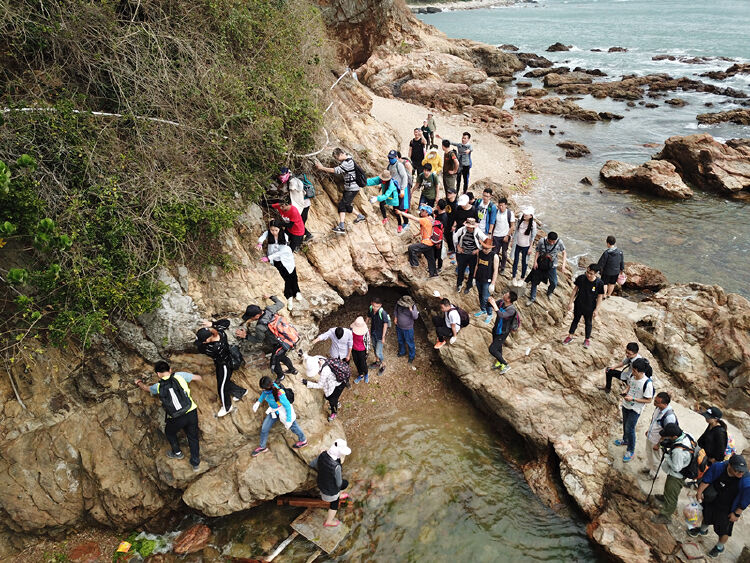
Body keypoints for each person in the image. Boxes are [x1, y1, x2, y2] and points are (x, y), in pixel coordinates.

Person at [135, 361, 203, 471]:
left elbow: (146, 388)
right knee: (193, 437)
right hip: (191, 411)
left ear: (158, 374)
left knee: (169, 432)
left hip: (176, 417)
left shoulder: (158, 387)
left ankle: (178, 453)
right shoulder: (180, 376)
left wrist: (138, 382)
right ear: (170, 370)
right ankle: (195, 463)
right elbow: (198, 378)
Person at [687, 454, 749, 558]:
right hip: (714, 498)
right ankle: (702, 530)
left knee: (723, 529)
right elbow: (707, 479)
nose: (740, 473)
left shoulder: (746, 480)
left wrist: (737, 514)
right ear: (729, 466)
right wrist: (699, 492)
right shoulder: (719, 467)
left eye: (742, 471)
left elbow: (746, 499)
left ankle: (720, 547)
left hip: (728, 507)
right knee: (707, 515)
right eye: (737, 470)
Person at [237, 296, 299, 382]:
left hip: (282, 344)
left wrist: (246, 336)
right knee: (281, 356)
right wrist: (270, 297)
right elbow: (281, 304)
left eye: (251, 317)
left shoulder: (260, 327)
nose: (250, 319)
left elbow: (258, 340)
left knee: (274, 360)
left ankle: (280, 376)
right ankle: (293, 370)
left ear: (258, 315)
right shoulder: (270, 309)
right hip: (292, 337)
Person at [196, 319, 247, 418]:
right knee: (224, 380)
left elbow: (200, 349)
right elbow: (226, 322)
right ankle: (241, 392)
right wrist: (212, 324)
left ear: (206, 340)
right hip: (228, 360)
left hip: (224, 365)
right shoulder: (221, 333)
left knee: (222, 386)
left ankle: (227, 407)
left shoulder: (212, 348)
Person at [251, 376, 307, 456]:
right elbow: (264, 394)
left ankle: (303, 440)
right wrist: (258, 402)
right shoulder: (266, 390)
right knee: (264, 429)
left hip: (283, 411)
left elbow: (287, 406)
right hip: (274, 412)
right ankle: (262, 447)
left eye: (263, 388)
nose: (262, 390)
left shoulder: (279, 393)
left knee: (293, 426)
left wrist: (288, 420)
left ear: (268, 387)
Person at [314, 148, 366, 234]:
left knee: (342, 205)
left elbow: (335, 170)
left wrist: (322, 168)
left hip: (352, 188)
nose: (336, 159)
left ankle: (341, 226)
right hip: (350, 187)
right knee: (347, 204)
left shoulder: (348, 163)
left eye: (336, 157)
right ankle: (360, 216)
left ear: (341, 154)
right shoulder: (348, 158)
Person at [613, 358, 654, 462]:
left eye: (634, 370)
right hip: (626, 404)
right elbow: (629, 386)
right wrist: (625, 391)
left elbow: (648, 400)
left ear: (641, 371)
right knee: (625, 424)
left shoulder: (647, 383)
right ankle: (625, 440)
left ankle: (630, 450)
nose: (632, 372)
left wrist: (634, 399)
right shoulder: (632, 376)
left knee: (630, 428)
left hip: (635, 408)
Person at [651, 422, 693, 524]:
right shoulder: (687, 435)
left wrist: (666, 456)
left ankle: (665, 515)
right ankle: (665, 497)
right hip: (685, 467)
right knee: (669, 489)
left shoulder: (678, 451)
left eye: (668, 437)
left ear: (674, 436)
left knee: (671, 493)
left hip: (677, 475)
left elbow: (676, 468)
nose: (666, 438)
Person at [257, 221, 301, 309]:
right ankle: (289, 297)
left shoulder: (284, 236)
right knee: (286, 279)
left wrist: (269, 258)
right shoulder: (268, 233)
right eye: (272, 230)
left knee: (293, 275)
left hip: (286, 259)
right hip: (277, 261)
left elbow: (282, 252)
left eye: (276, 230)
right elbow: (262, 237)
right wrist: (260, 243)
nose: (273, 232)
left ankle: (297, 292)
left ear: (280, 229)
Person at [309, 439, 352, 527]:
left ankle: (339, 494)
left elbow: (312, 464)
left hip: (321, 483)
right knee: (335, 503)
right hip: (330, 490)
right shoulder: (336, 467)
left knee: (342, 484)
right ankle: (329, 521)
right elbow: (339, 483)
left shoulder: (323, 454)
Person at [563, 263, 604, 348]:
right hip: (579, 303)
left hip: (590, 306)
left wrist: (597, 309)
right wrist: (570, 302)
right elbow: (575, 290)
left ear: (596, 273)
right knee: (575, 320)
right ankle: (570, 336)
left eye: (591, 273)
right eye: (587, 272)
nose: (588, 274)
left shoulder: (599, 283)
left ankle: (587, 339)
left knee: (588, 323)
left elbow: (600, 296)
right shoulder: (581, 278)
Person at [642, 392, 678, 479]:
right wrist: (649, 430)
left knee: (656, 459)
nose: (654, 403)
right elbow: (654, 421)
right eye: (655, 401)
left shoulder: (669, 417)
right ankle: (650, 468)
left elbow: (668, 434)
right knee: (649, 453)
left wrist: (658, 444)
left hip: (657, 441)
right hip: (651, 437)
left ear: (665, 404)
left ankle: (654, 475)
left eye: (657, 402)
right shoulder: (658, 409)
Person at [302, 353, 347, 421]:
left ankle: (334, 412)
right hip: (338, 381)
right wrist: (304, 355)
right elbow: (309, 358)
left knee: (331, 398)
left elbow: (320, 385)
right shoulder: (318, 358)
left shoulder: (325, 371)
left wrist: (308, 383)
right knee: (332, 396)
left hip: (338, 384)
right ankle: (337, 403)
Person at [527, 231, 567, 305]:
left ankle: (549, 292)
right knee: (534, 281)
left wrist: (563, 265)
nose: (552, 243)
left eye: (553, 242)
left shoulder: (559, 242)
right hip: (541, 264)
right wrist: (535, 262)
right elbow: (537, 251)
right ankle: (532, 298)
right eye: (550, 241)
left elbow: (564, 252)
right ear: (547, 238)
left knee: (554, 282)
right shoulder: (542, 241)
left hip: (552, 265)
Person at [400, 204, 438, 278]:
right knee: (430, 259)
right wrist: (416, 235)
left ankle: (415, 264)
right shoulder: (431, 219)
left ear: (427, 213)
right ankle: (433, 273)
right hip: (430, 242)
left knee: (411, 248)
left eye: (423, 211)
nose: (421, 212)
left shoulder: (425, 220)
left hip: (426, 243)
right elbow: (424, 230)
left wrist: (402, 213)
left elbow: (413, 218)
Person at [453, 217, 487, 294]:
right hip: (463, 253)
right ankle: (459, 284)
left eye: (470, 227)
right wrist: (458, 246)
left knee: (472, 271)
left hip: (472, 254)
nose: (468, 228)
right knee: (461, 269)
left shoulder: (478, 232)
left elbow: (486, 240)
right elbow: (455, 236)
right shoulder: (462, 230)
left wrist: (478, 249)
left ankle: (469, 286)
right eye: (468, 227)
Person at [488, 292, 518, 374]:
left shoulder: (511, 309)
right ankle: (499, 362)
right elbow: (489, 305)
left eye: (506, 294)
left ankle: (505, 364)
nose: (504, 294)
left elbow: (501, 315)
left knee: (492, 349)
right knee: (498, 347)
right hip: (496, 328)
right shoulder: (501, 302)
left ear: (508, 299)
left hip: (503, 332)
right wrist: (489, 300)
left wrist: (494, 305)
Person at [279, 167, 312, 241]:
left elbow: (298, 198)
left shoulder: (294, 182)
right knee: (298, 224)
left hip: (304, 205)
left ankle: (300, 242)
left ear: (287, 173)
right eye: (280, 174)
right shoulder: (289, 181)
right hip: (300, 205)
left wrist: (296, 210)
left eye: (283, 174)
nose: (281, 176)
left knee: (299, 224)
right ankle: (305, 236)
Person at [474, 238, 499, 321]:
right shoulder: (479, 253)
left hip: (487, 280)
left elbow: (495, 270)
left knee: (486, 297)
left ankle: (490, 313)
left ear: (491, 248)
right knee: (480, 295)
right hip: (479, 278)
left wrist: (493, 283)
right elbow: (477, 265)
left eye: (487, 248)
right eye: (483, 247)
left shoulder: (494, 256)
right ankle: (483, 310)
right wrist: (474, 277)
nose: (484, 250)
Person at [510, 206, 536, 285]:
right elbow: (516, 232)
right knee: (515, 261)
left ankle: (522, 278)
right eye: (524, 214)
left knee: (524, 262)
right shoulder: (520, 221)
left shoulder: (533, 225)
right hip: (517, 244)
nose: (524, 215)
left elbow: (533, 237)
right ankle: (514, 277)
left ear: (531, 216)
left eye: (526, 215)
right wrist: (512, 241)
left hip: (526, 246)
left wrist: (530, 247)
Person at [367, 297, 391, 376]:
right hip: (373, 332)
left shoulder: (382, 313)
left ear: (380, 305)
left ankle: (383, 365)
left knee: (378, 351)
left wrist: (383, 337)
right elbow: (368, 317)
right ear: (371, 304)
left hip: (380, 335)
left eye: (377, 306)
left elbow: (385, 324)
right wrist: (364, 325)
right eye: (374, 306)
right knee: (374, 347)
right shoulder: (371, 309)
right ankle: (377, 362)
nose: (375, 308)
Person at [394, 295, 419, 367]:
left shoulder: (413, 307)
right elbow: (395, 310)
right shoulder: (398, 304)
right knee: (400, 340)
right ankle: (402, 352)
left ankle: (411, 356)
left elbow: (415, 317)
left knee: (410, 342)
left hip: (408, 328)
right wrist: (395, 317)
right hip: (399, 326)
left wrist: (411, 309)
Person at [493, 197, 515, 273]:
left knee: (504, 253)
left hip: (505, 235)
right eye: (499, 206)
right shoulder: (496, 212)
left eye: (502, 205)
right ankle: (496, 265)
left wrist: (507, 235)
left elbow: (512, 226)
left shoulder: (509, 213)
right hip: (496, 235)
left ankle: (503, 267)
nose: (500, 207)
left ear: (506, 205)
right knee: (495, 252)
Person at [350, 316, 371, 384]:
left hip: (362, 350)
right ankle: (361, 375)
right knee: (356, 362)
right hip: (354, 348)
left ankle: (366, 374)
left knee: (363, 363)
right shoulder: (351, 329)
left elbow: (368, 341)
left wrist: (367, 350)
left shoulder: (366, 332)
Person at [434, 199, 449, 272]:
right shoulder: (438, 212)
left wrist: (439, 241)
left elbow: (442, 230)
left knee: (439, 252)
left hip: (439, 237)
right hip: (435, 235)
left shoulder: (444, 217)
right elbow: (433, 211)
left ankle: (439, 267)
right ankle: (433, 265)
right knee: (434, 251)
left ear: (438, 207)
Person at [444, 188, 458, 259]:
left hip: (453, 223)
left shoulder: (456, 205)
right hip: (447, 221)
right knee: (447, 235)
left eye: (450, 193)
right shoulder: (446, 201)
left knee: (453, 238)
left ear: (454, 194)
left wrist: (454, 225)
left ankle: (454, 251)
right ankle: (450, 248)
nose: (448, 194)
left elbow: (457, 216)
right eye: (448, 193)